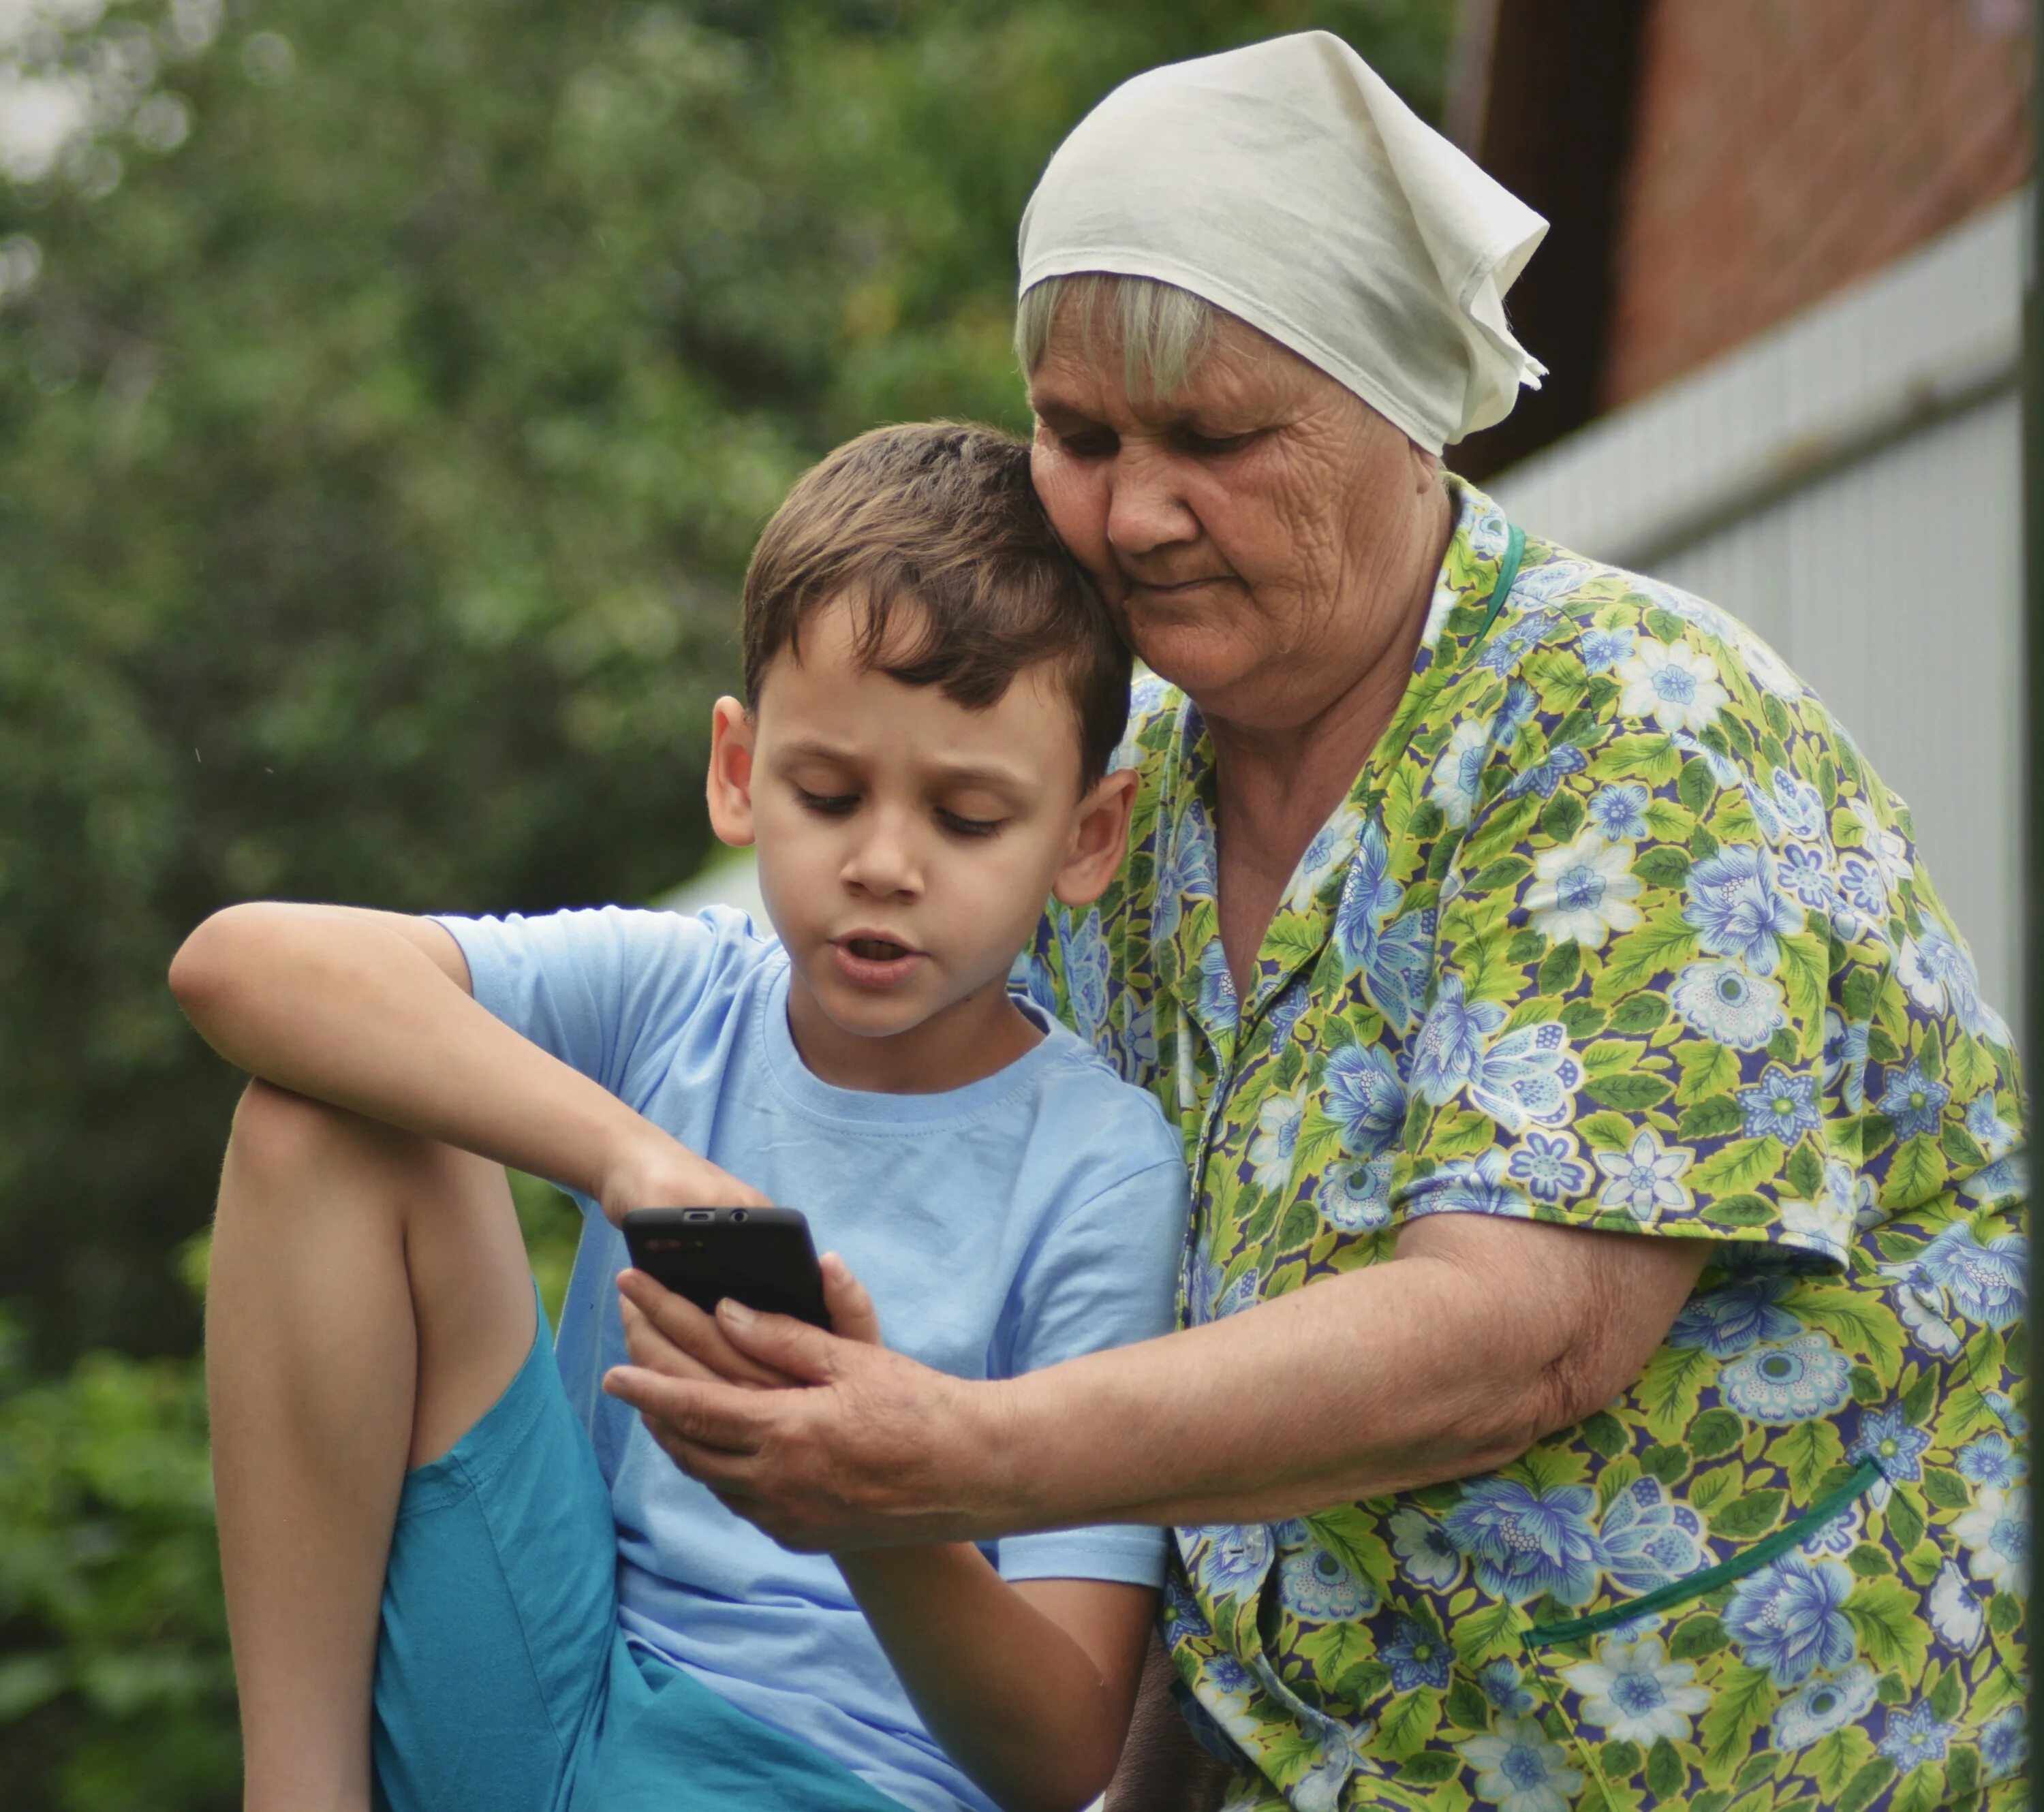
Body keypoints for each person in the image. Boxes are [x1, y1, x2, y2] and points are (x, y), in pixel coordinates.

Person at [604, 33, 2030, 1812]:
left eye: (1212, 437)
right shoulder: (1116, 817)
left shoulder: (1632, 735)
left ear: (1398, 414)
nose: (1131, 513)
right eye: (1080, 433)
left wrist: (956, 1451)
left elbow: (1518, 1338)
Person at [173, 421, 1193, 1812]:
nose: (882, 863)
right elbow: (240, 965)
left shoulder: (1098, 1165)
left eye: (966, 819)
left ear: (1085, 834)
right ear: (739, 770)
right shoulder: (684, 997)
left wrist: (861, 1491)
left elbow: (1064, 1748)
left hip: (838, 1777)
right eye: (828, 794)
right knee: (331, 1112)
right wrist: (630, 1155)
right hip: (555, 1689)